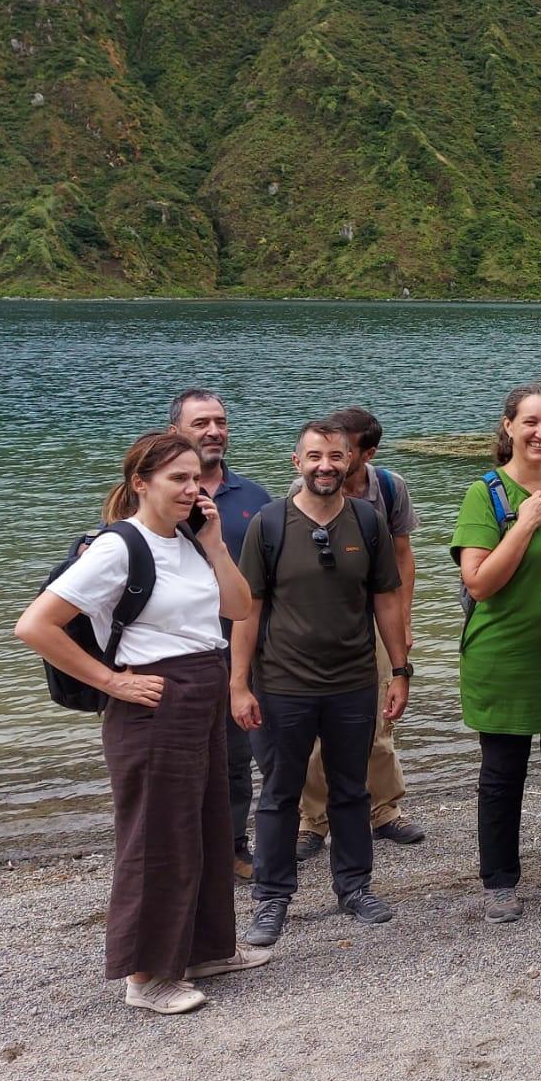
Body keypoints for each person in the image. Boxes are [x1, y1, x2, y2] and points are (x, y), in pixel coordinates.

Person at [14, 431, 266, 1015]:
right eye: (176, 478)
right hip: (152, 702)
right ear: (140, 484)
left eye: (196, 478)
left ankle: (205, 949)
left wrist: (217, 545)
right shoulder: (117, 547)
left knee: (204, 825)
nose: (190, 488)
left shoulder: (189, 541)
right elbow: (35, 626)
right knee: (157, 836)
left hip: (200, 689)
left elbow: (239, 608)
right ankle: (146, 975)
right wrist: (112, 683)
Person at [233, 419, 408, 947]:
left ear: (350, 461)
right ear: (297, 462)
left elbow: (385, 599)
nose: (325, 466)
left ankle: (354, 887)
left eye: (335, 456)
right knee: (280, 793)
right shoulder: (269, 524)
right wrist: (238, 685)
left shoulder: (367, 522)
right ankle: (272, 897)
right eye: (314, 457)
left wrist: (399, 670)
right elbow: (247, 610)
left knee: (351, 789)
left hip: (353, 680)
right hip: (283, 683)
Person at [452, 385, 541, 923]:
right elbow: (480, 583)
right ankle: (500, 882)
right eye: (529, 422)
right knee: (502, 773)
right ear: (508, 426)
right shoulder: (484, 494)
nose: (540, 433)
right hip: (503, 658)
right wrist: (526, 524)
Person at [297, 405, 424, 858]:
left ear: (367, 452)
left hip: (377, 614)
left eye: (344, 449)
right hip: (324, 619)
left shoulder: (388, 487)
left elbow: (404, 555)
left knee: (378, 718)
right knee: (315, 727)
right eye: (324, 449)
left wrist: (404, 621)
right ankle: (313, 820)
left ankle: (384, 810)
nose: (332, 459)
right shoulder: (307, 485)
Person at [168, 387, 272, 881]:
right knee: (175, 763)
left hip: (238, 650)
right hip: (170, 654)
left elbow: (270, 581)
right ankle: (179, 854)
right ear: (175, 433)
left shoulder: (253, 498)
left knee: (236, 760)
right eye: (201, 423)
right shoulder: (151, 496)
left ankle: (233, 848)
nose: (213, 431)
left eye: (220, 422)